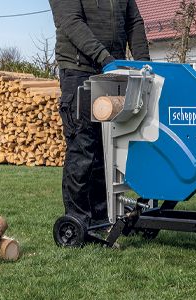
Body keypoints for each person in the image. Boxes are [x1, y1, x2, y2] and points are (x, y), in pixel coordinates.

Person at [50, 0, 150, 225]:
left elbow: (134, 22)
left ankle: (103, 218)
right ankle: (77, 220)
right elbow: (71, 21)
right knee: (83, 147)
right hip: (80, 71)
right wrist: (104, 58)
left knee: (108, 150)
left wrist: (144, 64)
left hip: (113, 72)